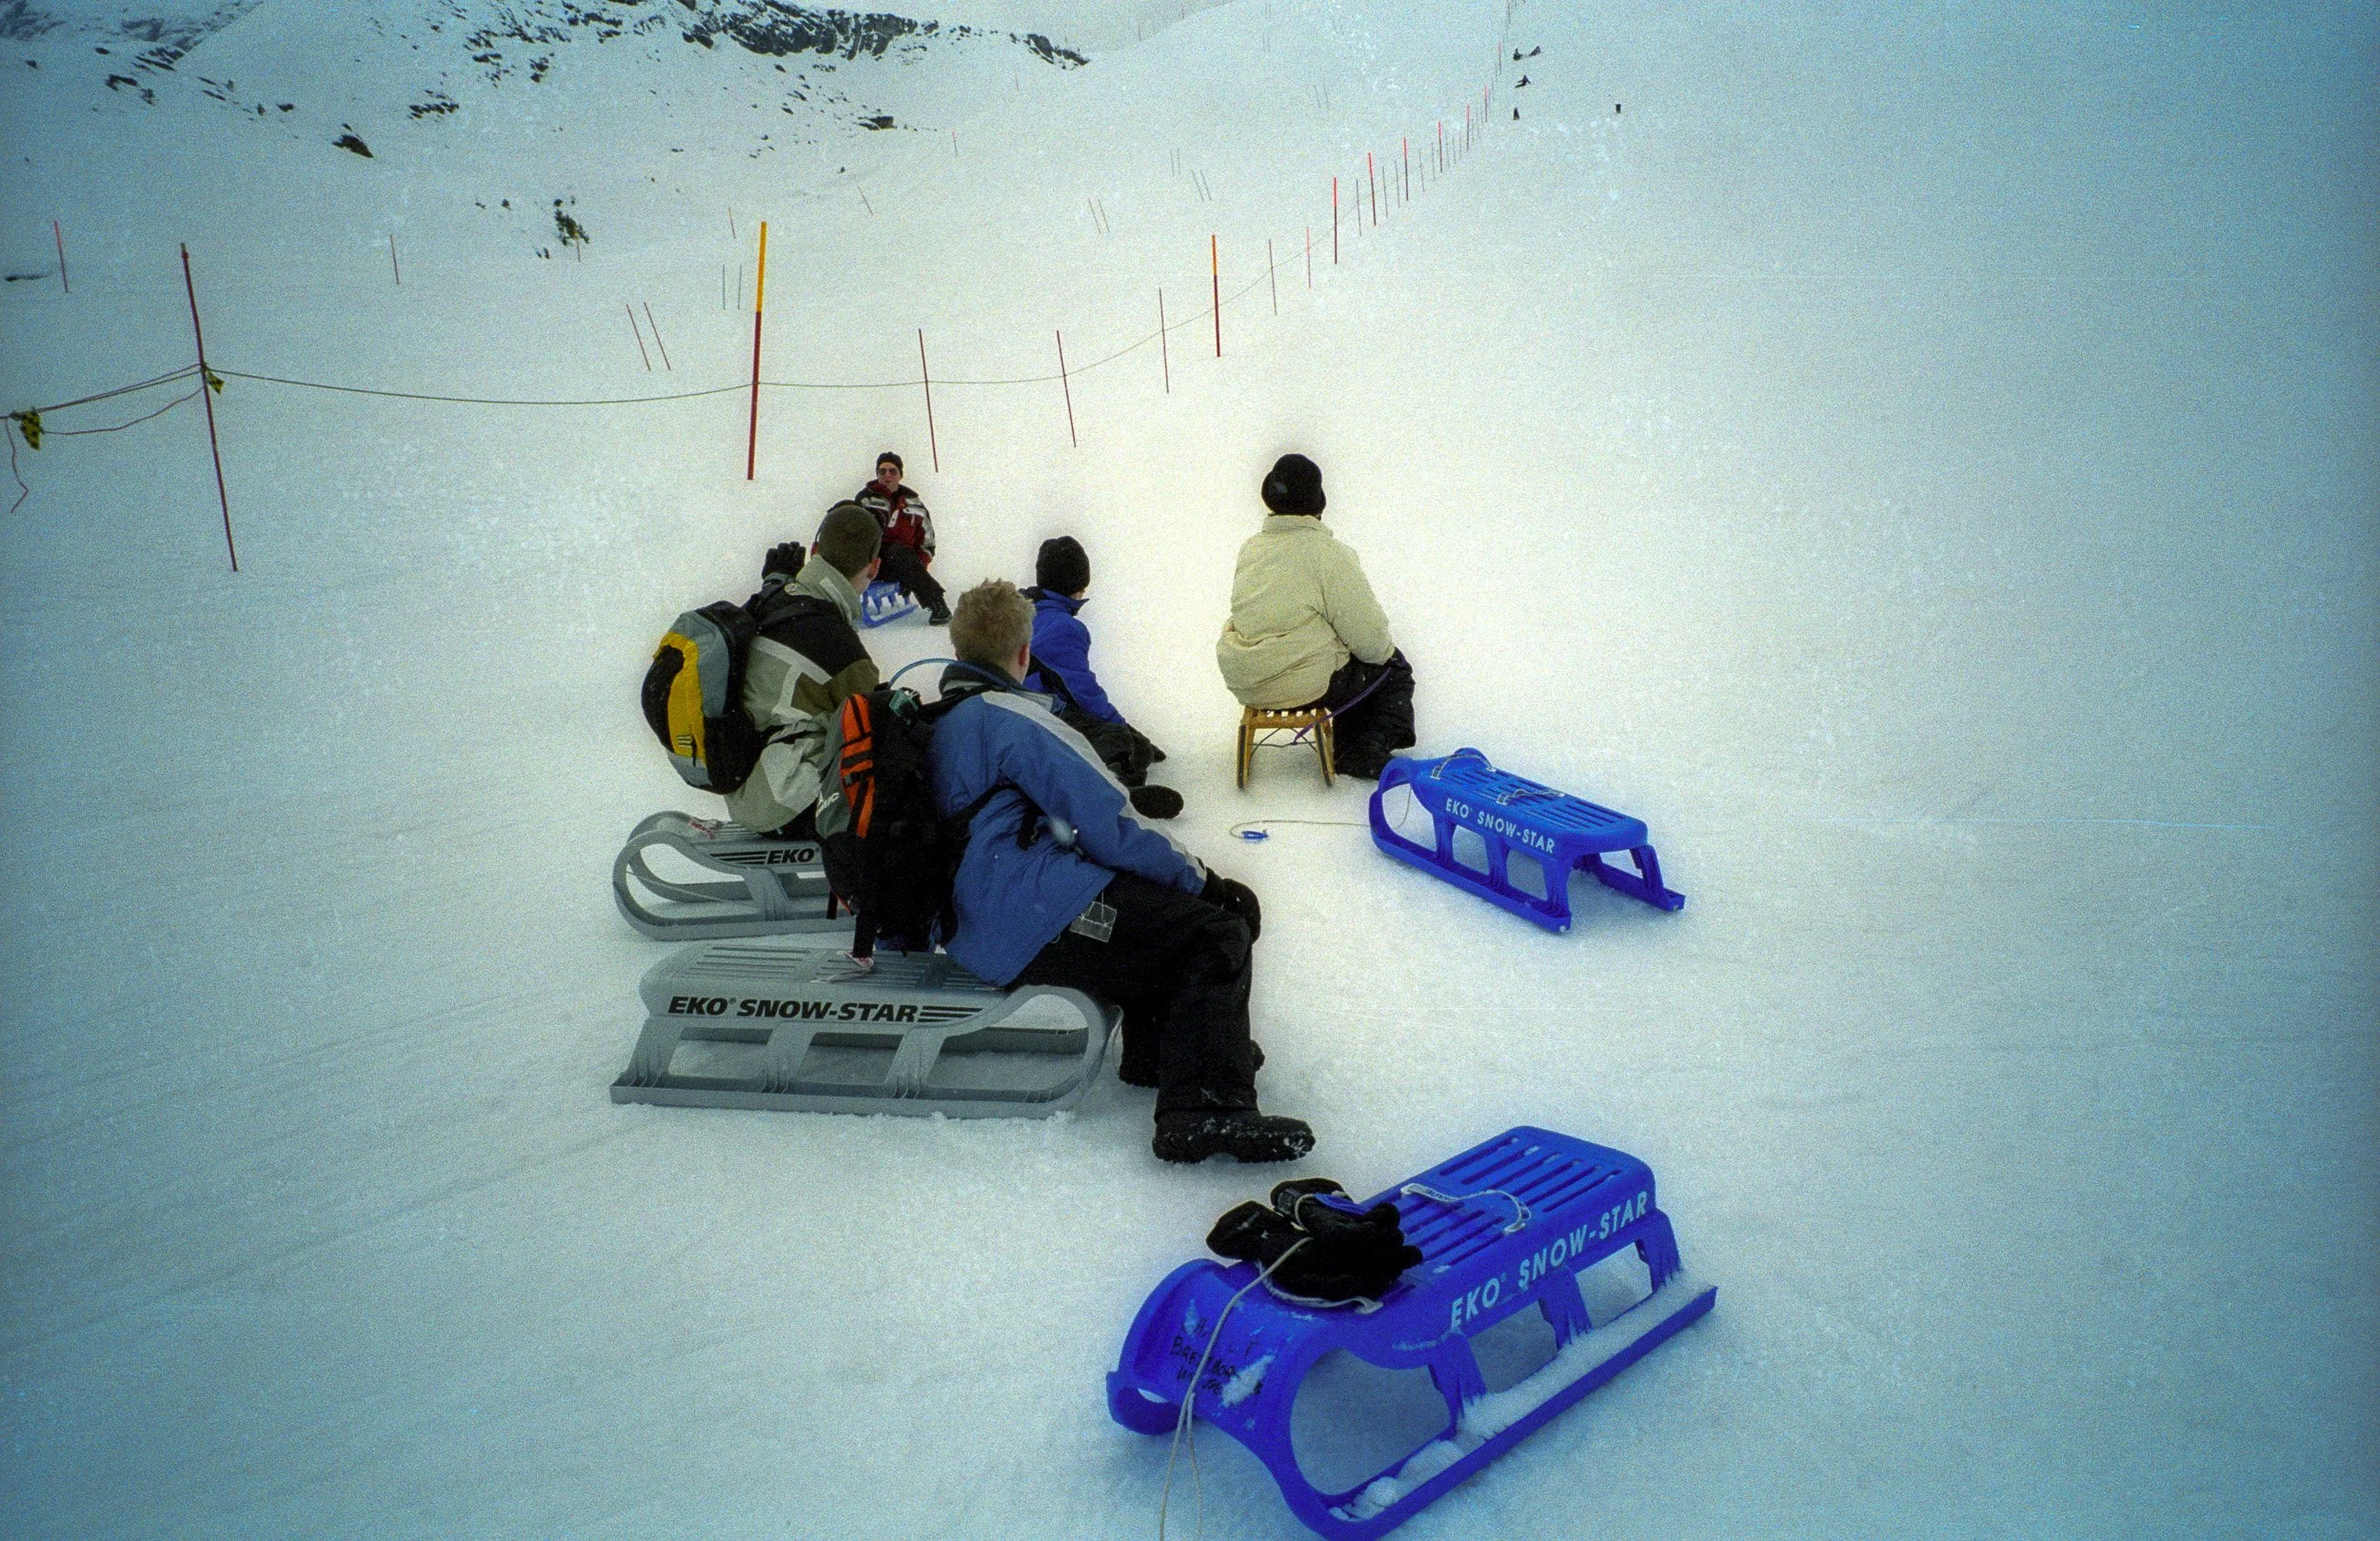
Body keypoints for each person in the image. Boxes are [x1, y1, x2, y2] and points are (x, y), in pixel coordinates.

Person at [929, 580, 1313, 1164]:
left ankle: (1168, 1053)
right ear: (1024, 654)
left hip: (975, 917)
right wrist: (1209, 883)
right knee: (1214, 929)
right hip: (1025, 917)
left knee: (1146, 912)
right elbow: (1112, 825)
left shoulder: (943, 719)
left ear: (958, 652)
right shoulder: (1011, 720)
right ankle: (1205, 1109)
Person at [1216, 452, 1416, 780]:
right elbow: (1370, 639)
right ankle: (1359, 752)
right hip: (1303, 683)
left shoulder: (1251, 548)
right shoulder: (1328, 555)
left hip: (1247, 679)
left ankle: (1353, 742)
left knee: (1343, 660)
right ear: (1318, 503)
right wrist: (1383, 656)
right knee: (1391, 670)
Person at [720, 502, 883, 840]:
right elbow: (874, 724)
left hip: (743, 785)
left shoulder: (773, 599)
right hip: (784, 806)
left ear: (815, 551)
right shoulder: (844, 650)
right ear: (875, 567)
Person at [1023, 536, 1180, 815]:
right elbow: (1081, 690)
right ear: (1078, 587)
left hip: (1019, 704)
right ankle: (1117, 791)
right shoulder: (1063, 627)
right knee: (1116, 741)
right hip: (1038, 709)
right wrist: (1123, 730)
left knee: (1119, 740)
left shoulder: (1026, 611)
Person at [852, 450, 949, 625]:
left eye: (892, 471)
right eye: (882, 471)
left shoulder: (914, 504)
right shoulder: (865, 500)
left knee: (899, 552)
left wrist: (916, 569)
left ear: (900, 475)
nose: (887, 476)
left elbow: (927, 542)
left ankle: (937, 604)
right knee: (895, 551)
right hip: (871, 562)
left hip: (903, 562)